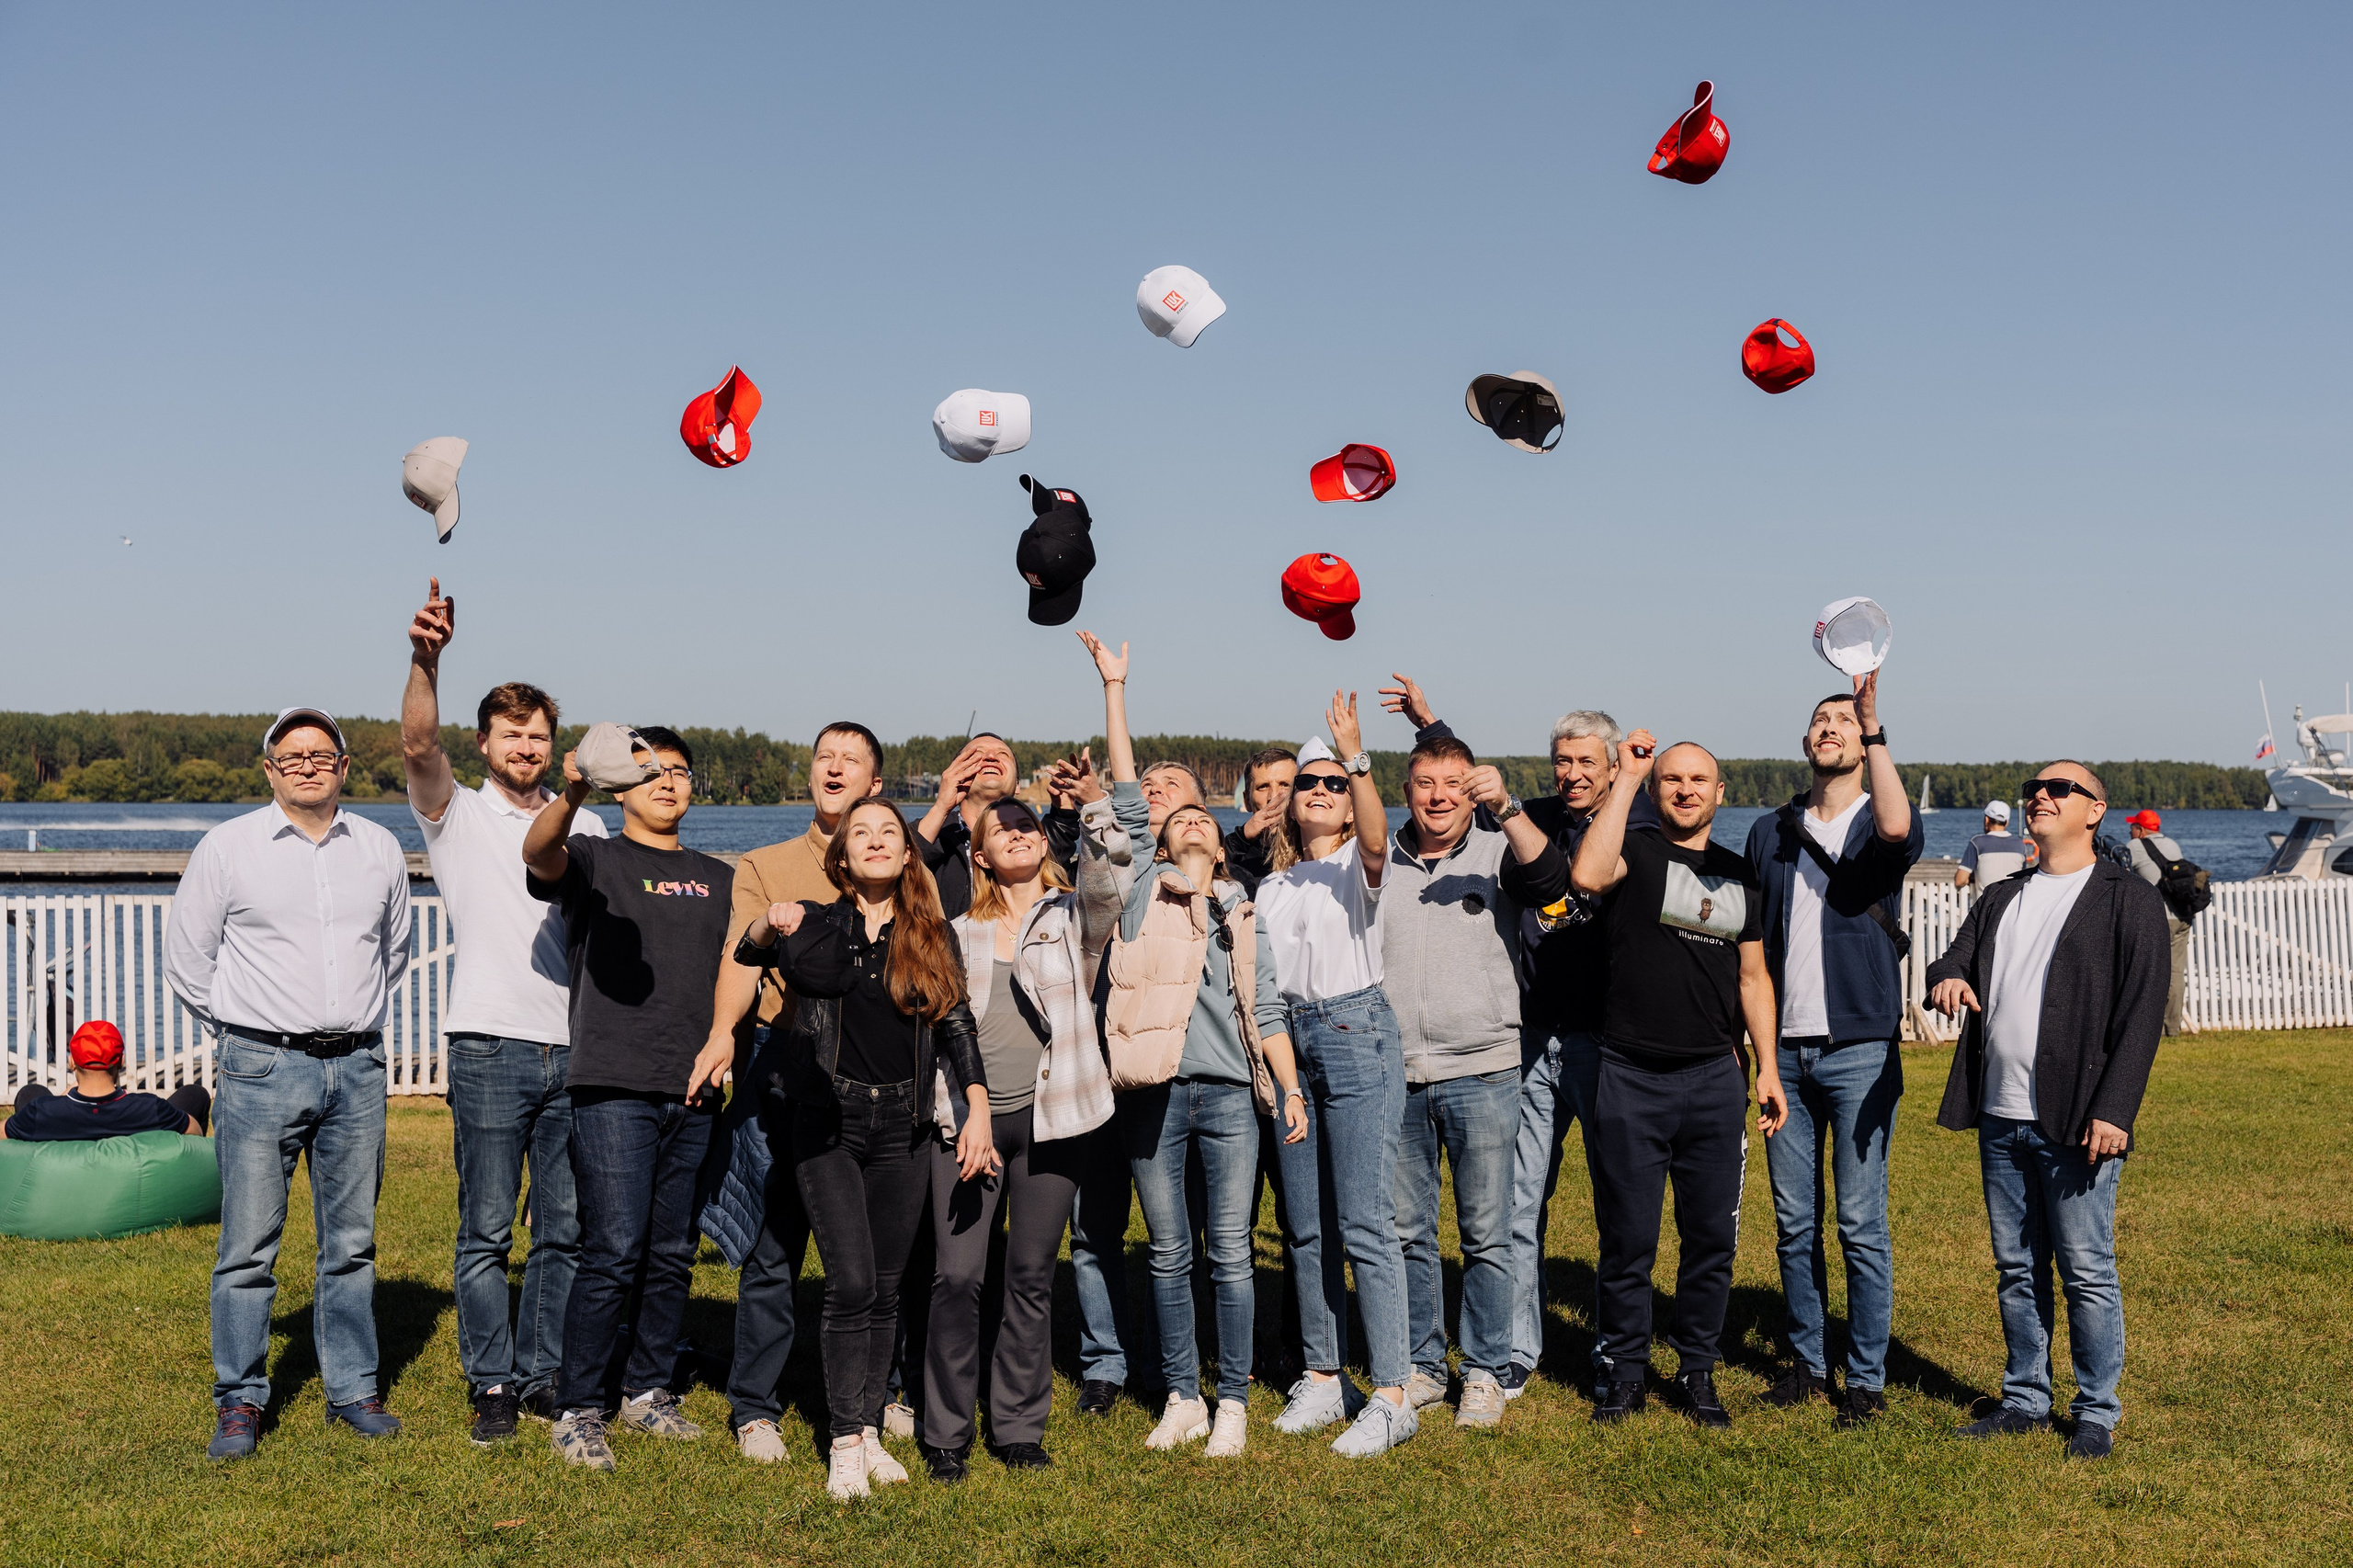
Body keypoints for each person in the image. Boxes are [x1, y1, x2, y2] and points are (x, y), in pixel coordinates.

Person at [163, 706, 414, 1461]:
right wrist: (249, 1032)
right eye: (292, 755)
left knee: (352, 1242)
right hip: (262, 1066)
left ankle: (351, 1390)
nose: (308, 764)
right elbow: (188, 959)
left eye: (322, 753)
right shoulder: (228, 848)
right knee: (247, 1244)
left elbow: (392, 954)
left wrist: (346, 1025)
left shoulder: (378, 849)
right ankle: (239, 1401)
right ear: (270, 769)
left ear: (343, 766)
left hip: (359, 1068)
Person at [730, 798, 995, 1501]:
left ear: (910, 854)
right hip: (827, 1124)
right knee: (849, 1283)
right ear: (841, 858)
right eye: (862, 835)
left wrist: (976, 1107)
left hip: (902, 1128)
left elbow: (956, 1025)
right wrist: (769, 918)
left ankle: (871, 1426)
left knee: (883, 1288)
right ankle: (845, 1441)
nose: (877, 842)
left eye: (890, 834)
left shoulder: (929, 933)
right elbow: (749, 950)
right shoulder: (816, 925)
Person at [1086, 631, 1310, 1460]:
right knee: (1168, 1252)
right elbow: (1125, 793)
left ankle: (1236, 1403)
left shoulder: (1241, 912)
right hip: (1152, 1093)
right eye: (1170, 819)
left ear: (1220, 842)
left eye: (1197, 821)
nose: (1182, 825)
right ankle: (1182, 1396)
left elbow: (1270, 1013)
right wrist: (1116, 687)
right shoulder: (1141, 887)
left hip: (1228, 1101)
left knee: (1229, 1255)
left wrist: (1286, 1091)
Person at [400, 578, 606, 1446]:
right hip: (488, 1044)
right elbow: (415, 739)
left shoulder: (584, 829)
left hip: (577, 1052)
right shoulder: (455, 816)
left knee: (561, 1229)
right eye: (512, 734)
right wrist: (426, 659)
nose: (527, 746)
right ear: (484, 744)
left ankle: (544, 1373)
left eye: (540, 736)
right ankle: (491, 1382)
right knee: (486, 1226)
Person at [1927, 762, 2169, 1461]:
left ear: (2095, 811)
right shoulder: (2002, 896)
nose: (2042, 795)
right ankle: (2026, 1399)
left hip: (2078, 1118)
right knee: (2017, 1267)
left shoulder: (2128, 901)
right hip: (2002, 1114)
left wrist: (2114, 1109)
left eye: (2060, 788)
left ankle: (2095, 1412)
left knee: (2085, 1268)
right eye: (2036, 786)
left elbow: (2142, 1015)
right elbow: (1955, 959)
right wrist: (1946, 978)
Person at [524, 726, 733, 1471]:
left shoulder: (719, 876)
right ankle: (580, 1409)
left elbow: (735, 977)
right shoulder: (594, 857)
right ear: (622, 787)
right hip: (612, 1082)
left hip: (697, 1086)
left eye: (679, 772)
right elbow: (536, 854)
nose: (668, 784)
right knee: (612, 1249)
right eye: (651, 773)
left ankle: (648, 1391)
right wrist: (573, 788)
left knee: (672, 1249)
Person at [1571, 733, 1788, 1428]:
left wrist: (1769, 1071)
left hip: (1713, 1080)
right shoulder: (1631, 849)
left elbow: (1754, 978)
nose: (1686, 790)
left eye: (1700, 780)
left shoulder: (1738, 873)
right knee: (1628, 1239)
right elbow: (1586, 877)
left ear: (1721, 793)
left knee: (1711, 1243)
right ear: (1657, 790)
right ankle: (1625, 1375)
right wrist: (1628, 777)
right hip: (1631, 1075)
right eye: (1672, 780)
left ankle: (1697, 1370)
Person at [688, 721, 883, 1464]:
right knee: (774, 1242)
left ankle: (877, 1396)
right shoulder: (765, 865)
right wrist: (720, 1034)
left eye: (850, 760)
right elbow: (744, 958)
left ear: (873, 781)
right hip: (788, 1057)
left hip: (876, 1073)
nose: (833, 769)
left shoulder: (889, 858)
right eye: (823, 758)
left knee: (871, 1250)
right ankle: (756, 1407)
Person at [919, 796, 1123, 1481]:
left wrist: (1092, 813)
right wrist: (969, 1114)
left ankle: (1016, 1428)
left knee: (1031, 1276)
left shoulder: (1074, 919)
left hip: (1055, 1120)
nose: (1016, 832)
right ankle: (945, 1430)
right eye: (1000, 828)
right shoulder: (954, 932)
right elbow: (948, 1031)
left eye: (1027, 824)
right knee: (957, 1277)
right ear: (977, 855)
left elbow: (1108, 877)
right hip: (968, 1124)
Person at [1371, 718, 1561, 1428]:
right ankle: (1424, 1364)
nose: (1439, 796)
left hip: (1483, 1068)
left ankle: (1483, 1369)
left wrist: (1507, 808)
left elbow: (1550, 881)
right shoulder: (1379, 859)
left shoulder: (1496, 850)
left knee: (1486, 1233)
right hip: (1398, 1073)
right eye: (1425, 783)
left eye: (1454, 784)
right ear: (1407, 790)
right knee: (1408, 1232)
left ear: (1472, 790)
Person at [1743, 676, 1921, 1427]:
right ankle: (1809, 1364)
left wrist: (1876, 728)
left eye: (1842, 721)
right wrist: (1765, 1062)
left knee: (1859, 1223)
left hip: (1859, 1052)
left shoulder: (1881, 819)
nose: (1829, 728)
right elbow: (1753, 951)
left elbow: (1893, 829)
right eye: (1820, 719)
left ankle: (1868, 1380)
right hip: (1788, 1051)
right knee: (1792, 1222)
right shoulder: (1769, 831)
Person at [1252, 714, 1425, 1457]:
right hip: (1293, 1043)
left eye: (1333, 784)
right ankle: (1325, 1376)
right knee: (1307, 1225)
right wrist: (1284, 1079)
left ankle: (1391, 1392)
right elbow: (1266, 994)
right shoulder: (1272, 885)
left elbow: (1384, 839)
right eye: (1308, 784)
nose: (1320, 792)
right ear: (1290, 802)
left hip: (1357, 1035)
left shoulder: (1362, 860)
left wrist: (1356, 757)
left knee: (1364, 1221)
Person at [3, 1021, 210, 1141]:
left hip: (61, 1158)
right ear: (120, 1061)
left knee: (29, 1093)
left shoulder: (41, 1112)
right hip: (137, 1174)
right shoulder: (152, 1108)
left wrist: (61, 1100)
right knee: (195, 1094)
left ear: (72, 1062)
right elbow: (195, 1133)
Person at [2121, 809, 2197, 1037]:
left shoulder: (2134, 846)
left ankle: (2146, 1027)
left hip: (2157, 918)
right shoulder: (2173, 844)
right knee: (2175, 973)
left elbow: (2121, 875)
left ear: (2141, 830)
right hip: (2181, 916)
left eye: (2133, 827)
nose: (2130, 831)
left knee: (2146, 972)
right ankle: (2171, 1028)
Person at [1222, 746, 1298, 896]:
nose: (1273, 796)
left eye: (1284, 785)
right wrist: (1242, 838)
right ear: (1247, 801)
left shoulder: (1318, 850)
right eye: (1263, 787)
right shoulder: (1234, 854)